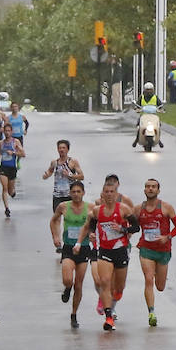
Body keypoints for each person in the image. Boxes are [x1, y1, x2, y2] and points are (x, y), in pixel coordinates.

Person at [74, 173, 134, 331]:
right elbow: (92, 225)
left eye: (111, 192)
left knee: (119, 288)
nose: (109, 195)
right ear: (102, 194)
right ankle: (108, 317)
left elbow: (136, 227)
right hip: (104, 251)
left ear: (116, 193)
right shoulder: (96, 211)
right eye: (106, 192)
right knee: (104, 282)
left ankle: (114, 301)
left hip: (120, 250)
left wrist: (122, 229)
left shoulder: (124, 209)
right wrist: (92, 234)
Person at [134, 178, 176, 327]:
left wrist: (167, 237)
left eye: (153, 187)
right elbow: (132, 226)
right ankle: (151, 313)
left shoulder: (167, 208)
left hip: (163, 251)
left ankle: (156, 271)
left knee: (160, 286)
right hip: (146, 249)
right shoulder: (138, 209)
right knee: (149, 279)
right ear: (144, 190)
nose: (150, 189)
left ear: (158, 190)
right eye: (147, 186)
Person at [50, 180, 96, 328]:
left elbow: (97, 224)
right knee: (68, 279)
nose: (76, 194)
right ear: (70, 193)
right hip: (69, 248)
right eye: (73, 192)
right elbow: (54, 220)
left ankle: (74, 314)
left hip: (83, 248)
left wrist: (93, 234)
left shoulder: (90, 208)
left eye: (79, 192)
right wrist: (56, 237)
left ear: (83, 193)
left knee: (79, 284)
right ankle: (67, 288)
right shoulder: (63, 206)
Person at [41, 139, 85, 211]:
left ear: (68, 149)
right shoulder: (54, 162)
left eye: (63, 148)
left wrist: (69, 175)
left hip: (70, 194)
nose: (61, 150)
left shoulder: (72, 162)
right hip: (57, 194)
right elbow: (49, 172)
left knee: (70, 217)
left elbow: (81, 176)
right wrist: (46, 175)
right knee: (56, 217)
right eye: (59, 148)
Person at [0, 131, 23, 218]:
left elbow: (23, 154)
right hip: (3, 168)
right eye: (5, 131)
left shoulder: (15, 142)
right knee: (4, 188)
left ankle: (12, 192)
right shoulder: (1, 143)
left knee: (10, 191)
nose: (7, 133)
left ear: (11, 132)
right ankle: (7, 208)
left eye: (8, 131)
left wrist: (14, 153)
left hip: (12, 168)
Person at [132, 82, 164, 148]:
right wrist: (137, 109)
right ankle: (136, 139)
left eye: (150, 90)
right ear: (144, 90)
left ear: (153, 90)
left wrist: (161, 109)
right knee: (139, 126)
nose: (149, 91)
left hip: (153, 115)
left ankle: (159, 139)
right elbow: (138, 105)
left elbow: (160, 105)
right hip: (144, 115)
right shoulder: (142, 97)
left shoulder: (155, 97)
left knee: (158, 126)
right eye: (147, 89)